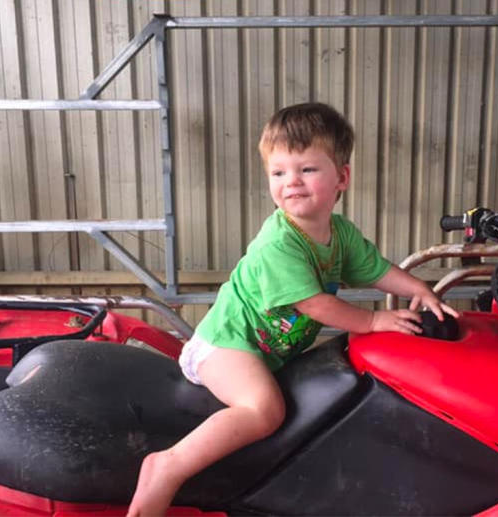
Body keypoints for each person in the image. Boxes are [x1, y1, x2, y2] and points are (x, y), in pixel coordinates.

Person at [127, 102, 459, 516]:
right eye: (279, 172)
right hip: (225, 345)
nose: (292, 182)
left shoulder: (339, 233)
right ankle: (168, 466)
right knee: (263, 410)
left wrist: (420, 291)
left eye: (307, 169)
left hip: (263, 350)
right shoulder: (278, 244)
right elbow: (315, 304)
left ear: (342, 177)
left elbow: (376, 270)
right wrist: (374, 320)